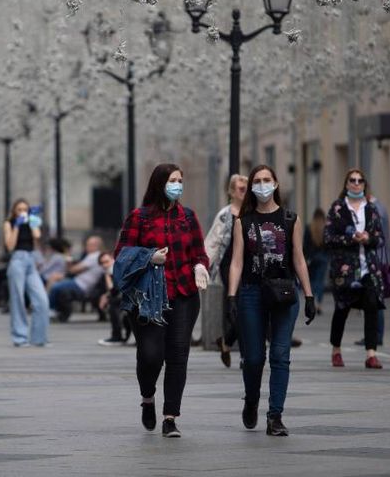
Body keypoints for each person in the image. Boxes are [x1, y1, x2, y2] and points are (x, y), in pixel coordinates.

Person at [114, 163, 210, 438]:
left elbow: (199, 253)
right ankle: (147, 398)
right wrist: (148, 256)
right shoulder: (139, 217)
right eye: (172, 180)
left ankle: (171, 417)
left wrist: (200, 267)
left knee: (178, 355)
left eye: (180, 180)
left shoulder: (188, 217)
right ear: (159, 184)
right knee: (151, 355)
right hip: (148, 299)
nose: (177, 185)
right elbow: (122, 255)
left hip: (183, 295)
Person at [227, 165, 316, 436]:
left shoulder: (291, 219)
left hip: (285, 293)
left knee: (280, 355)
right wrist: (232, 296)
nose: (262, 185)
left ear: (276, 183)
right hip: (253, 293)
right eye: (257, 181)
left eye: (267, 180)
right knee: (253, 358)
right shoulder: (244, 221)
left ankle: (275, 416)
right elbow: (237, 262)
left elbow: (299, 258)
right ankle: (251, 399)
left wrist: (310, 294)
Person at [325, 168, 386, 369]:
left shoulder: (371, 209)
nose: (356, 183)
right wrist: (350, 238)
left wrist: (368, 238)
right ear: (346, 183)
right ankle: (336, 349)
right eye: (352, 180)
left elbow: (380, 238)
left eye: (360, 180)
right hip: (344, 268)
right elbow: (328, 237)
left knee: (372, 305)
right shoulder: (337, 208)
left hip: (368, 267)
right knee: (342, 307)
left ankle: (371, 353)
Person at [204, 174, 248, 368]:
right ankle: (244, 354)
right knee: (240, 308)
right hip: (229, 266)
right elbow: (212, 243)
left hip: (252, 266)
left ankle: (227, 341)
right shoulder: (225, 215)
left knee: (251, 308)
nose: (244, 191)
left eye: (247, 188)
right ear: (231, 192)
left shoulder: (254, 212)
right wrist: (202, 268)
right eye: (240, 188)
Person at [3, 198, 49, 346]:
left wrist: (32, 220)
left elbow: (37, 236)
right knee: (18, 300)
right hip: (17, 260)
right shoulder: (9, 223)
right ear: (14, 211)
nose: (22, 212)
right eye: (19, 209)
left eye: (25, 209)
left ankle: (39, 338)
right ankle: (20, 337)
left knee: (42, 300)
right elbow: (9, 246)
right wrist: (16, 226)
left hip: (31, 260)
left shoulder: (31, 221)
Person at [356, 195, 390, 347]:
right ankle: (374, 335)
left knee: (375, 299)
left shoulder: (374, 209)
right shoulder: (379, 207)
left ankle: (376, 335)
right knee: (373, 299)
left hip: (376, 259)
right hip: (377, 258)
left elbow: (375, 235)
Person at [48, 235, 105, 323]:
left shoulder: (94, 256)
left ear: (96, 246)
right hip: (78, 282)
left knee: (56, 286)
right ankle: (52, 309)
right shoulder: (92, 255)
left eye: (88, 245)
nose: (86, 247)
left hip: (81, 285)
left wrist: (68, 262)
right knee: (55, 280)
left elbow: (74, 270)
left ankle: (51, 310)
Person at [96, 252, 132, 346]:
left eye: (106, 262)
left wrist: (106, 296)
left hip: (129, 298)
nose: (104, 265)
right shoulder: (109, 272)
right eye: (102, 263)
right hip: (125, 297)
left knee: (114, 303)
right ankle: (118, 335)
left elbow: (114, 290)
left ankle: (117, 336)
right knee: (113, 302)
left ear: (112, 259)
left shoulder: (116, 270)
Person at [303, 208, 329, 315]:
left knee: (312, 281)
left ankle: (312, 301)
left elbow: (305, 245)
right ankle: (319, 303)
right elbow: (329, 244)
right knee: (320, 281)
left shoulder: (309, 227)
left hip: (312, 258)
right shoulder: (326, 228)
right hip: (323, 258)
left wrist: (306, 257)